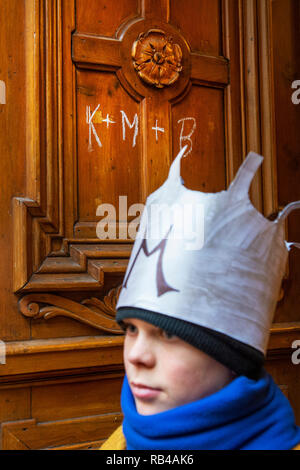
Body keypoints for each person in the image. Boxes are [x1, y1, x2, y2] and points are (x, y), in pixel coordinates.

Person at [100, 147, 300, 450]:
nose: (135, 356)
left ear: (232, 359)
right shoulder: (120, 443)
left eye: (167, 332)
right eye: (131, 328)